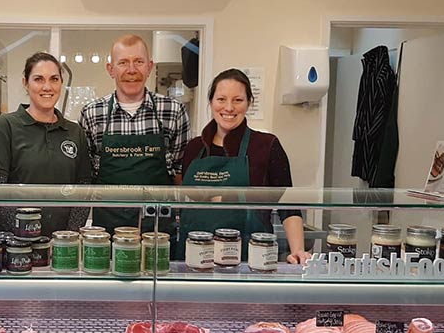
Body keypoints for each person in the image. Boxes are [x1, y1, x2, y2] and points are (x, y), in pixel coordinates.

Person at [176, 68, 311, 264]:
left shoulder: (266, 145)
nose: (229, 108)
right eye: (221, 99)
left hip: (250, 261)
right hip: (194, 256)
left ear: (249, 103)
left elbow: (289, 206)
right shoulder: (194, 148)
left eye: (238, 100)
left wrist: (298, 250)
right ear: (211, 102)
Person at [79, 34, 190, 233]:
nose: (132, 70)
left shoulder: (173, 111)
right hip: (108, 229)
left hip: (157, 227)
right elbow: (86, 176)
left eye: (138, 62)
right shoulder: (92, 113)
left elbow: (180, 173)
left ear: (149, 66)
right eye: (123, 62)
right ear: (110, 69)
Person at [0, 52, 91, 235]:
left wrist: (68, 235)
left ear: (61, 83)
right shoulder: (4, 127)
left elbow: (83, 189)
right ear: (25, 82)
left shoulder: (75, 132)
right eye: (38, 79)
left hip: (58, 243)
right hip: (11, 244)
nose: (47, 87)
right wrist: (26, 232)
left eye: (54, 79)